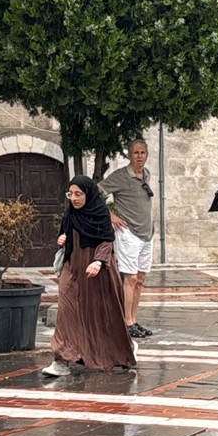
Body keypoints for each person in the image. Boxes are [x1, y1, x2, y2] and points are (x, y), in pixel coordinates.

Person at [43, 176, 136, 377]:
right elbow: (66, 235)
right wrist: (62, 239)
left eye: (79, 194)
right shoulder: (70, 213)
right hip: (72, 268)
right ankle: (62, 360)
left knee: (102, 315)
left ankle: (120, 349)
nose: (74, 198)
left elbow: (106, 240)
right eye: (71, 194)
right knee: (66, 310)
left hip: (97, 272)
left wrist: (98, 261)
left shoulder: (101, 213)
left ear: (89, 194)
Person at [99, 140, 155, 338]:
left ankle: (134, 318)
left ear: (147, 155)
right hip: (129, 233)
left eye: (143, 152)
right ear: (130, 155)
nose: (140, 156)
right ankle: (126, 322)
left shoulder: (146, 175)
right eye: (136, 153)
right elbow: (97, 193)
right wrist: (111, 215)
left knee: (140, 279)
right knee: (130, 278)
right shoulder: (121, 176)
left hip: (147, 234)